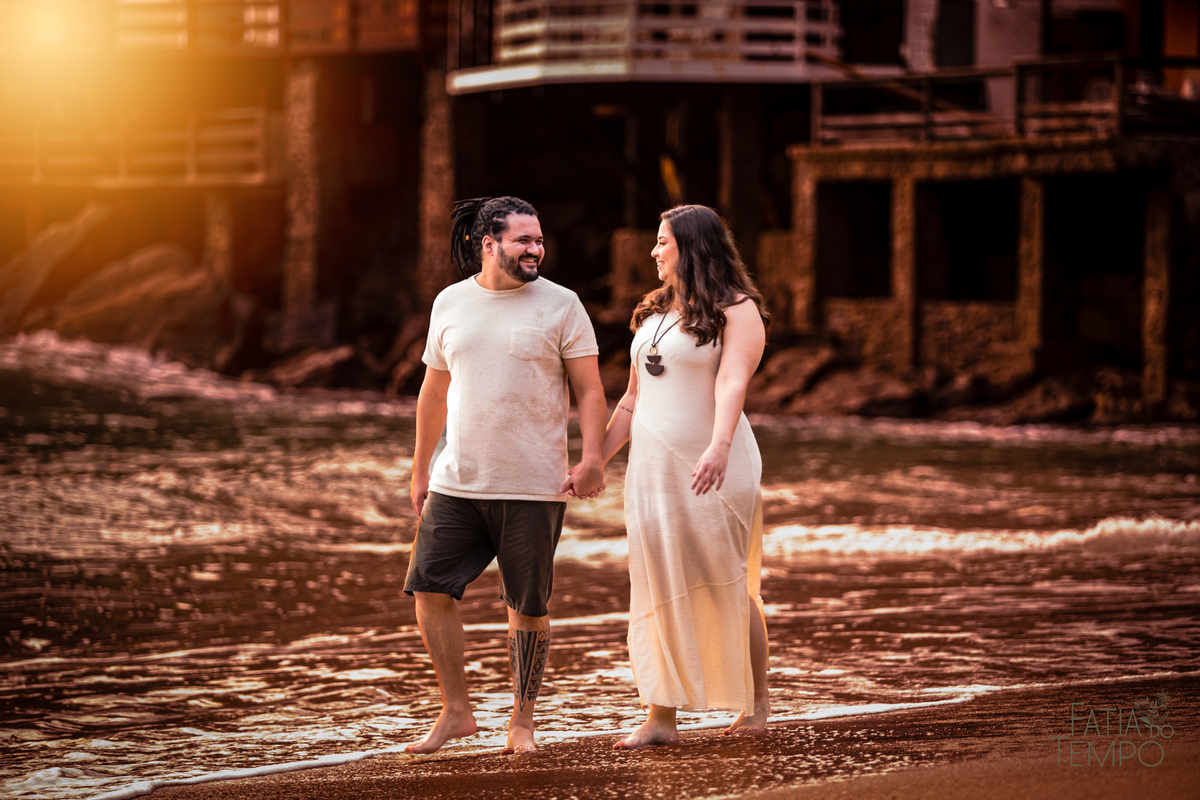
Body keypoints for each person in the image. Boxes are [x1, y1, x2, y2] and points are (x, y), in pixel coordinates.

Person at [405, 196, 607, 755]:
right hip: (457, 481)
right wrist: (420, 468)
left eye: (539, 239)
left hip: (533, 486)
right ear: (488, 243)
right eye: (524, 240)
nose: (536, 249)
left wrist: (592, 458)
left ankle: (522, 721)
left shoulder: (562, 305)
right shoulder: (450, 303)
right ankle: (457, 711)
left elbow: (590, 389)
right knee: (427, 586)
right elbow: (434, 391)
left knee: (529, 607)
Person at [599, 204, 770, 748]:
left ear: (692, 246)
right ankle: (660, 718)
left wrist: (718, 445)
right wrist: (593, 461)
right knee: (657, 582)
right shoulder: (652, 314)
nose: (654, 251)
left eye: (663, 241)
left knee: (726, 580)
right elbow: (631, 397)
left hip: (716, 463)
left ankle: (757, 705)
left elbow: (731, 385)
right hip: (652, 467)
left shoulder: (737, 310)